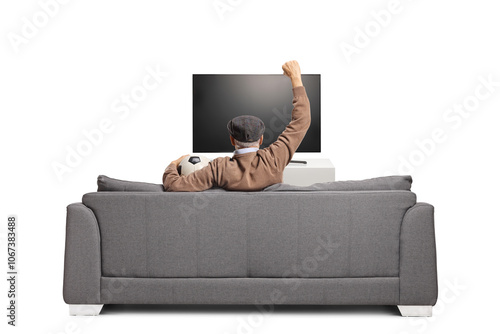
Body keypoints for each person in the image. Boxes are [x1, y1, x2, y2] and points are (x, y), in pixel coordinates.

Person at [163, 60, 311, 191]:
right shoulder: (274, 160)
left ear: (232, 140)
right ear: (260, 139)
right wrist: (296, 78)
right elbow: (302, 120)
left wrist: (173, 164)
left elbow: (174, 185)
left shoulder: (218, 168)